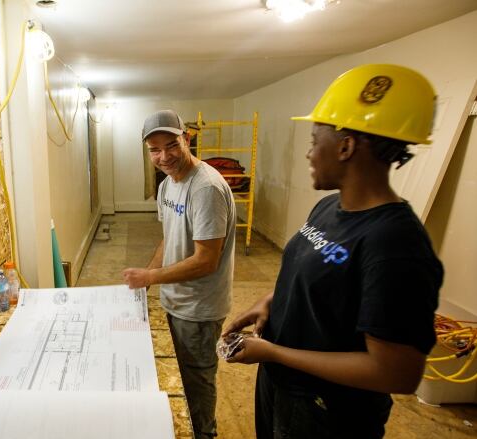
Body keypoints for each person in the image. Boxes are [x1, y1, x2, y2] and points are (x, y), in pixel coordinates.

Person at [222, 64, 443, 438]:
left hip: (327, 411)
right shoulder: (329, 208)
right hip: (282, 385)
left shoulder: (395, 243)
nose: (309, 154)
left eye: (313, 141)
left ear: (346, 146)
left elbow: (396, 373)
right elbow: (321, 278)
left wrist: (274, 352)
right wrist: (270, 301)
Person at [123, 109, 236, 439]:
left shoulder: (206, 189)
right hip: (175, 300)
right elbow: (170, 238)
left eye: (171, 145)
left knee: (196, 382)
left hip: (199, 308)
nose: (164, 156)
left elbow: (206, 261)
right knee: (179, 375)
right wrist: (149, 272)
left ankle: (204, 434)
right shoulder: (168, 186)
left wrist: (151, 279)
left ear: (187, 139)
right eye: (154, 150)